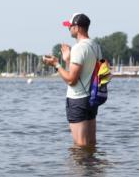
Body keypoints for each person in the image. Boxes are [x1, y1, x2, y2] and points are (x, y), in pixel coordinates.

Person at [42, 12, 102, 148]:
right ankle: (92, 163)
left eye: (70, 26)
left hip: (78, 100)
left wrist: (56, 65)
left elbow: (71, 80)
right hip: (92, 99)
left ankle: (80, 163)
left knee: (80, 146)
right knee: (91, 144)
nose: (68, 28)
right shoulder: (95, 46)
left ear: (77, 28)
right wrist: (68, 60)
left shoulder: (79, 48)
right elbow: (84, 73)